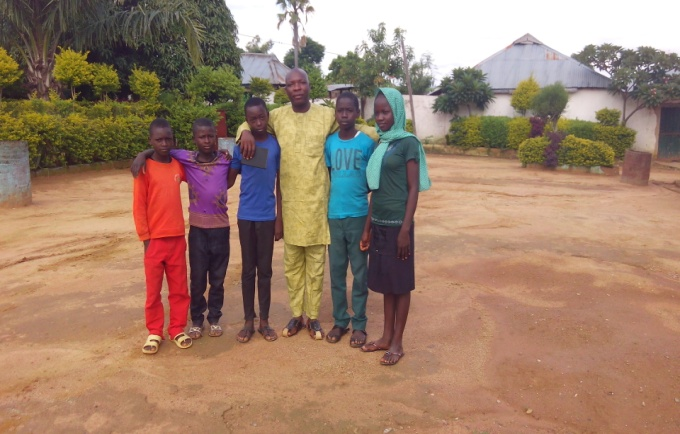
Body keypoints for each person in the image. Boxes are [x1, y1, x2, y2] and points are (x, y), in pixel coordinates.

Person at [237, 68, 378, 340]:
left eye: (302, 82)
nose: (297, 87)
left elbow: (353, 126)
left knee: (316, 265)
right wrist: (243, 131)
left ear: (310, 86)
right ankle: (296, 314)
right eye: (291, 84)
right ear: (285, 89)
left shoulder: (326, 115)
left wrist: (381, 133)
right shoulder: (277, 117)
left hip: (318, 206)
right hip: (290, 207)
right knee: (292, 266)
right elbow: (253, 121)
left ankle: (312, 317)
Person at [131, 118, 231, 340]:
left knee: (204, 281)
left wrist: (227, 153)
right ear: (194, 139)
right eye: (202, 137)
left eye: (210, 136)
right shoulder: (165, 164)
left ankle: (198, 322)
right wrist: (142, 155)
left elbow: (215, 176)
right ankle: (176, 325)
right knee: (186, 281)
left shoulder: (211, 161)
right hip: (179, 234)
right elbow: (139, 204)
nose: (164, 144)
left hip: (202, 231)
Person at [360, 88, 431, 366]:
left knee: (400, 285)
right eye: (377, 112)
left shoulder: (408, 143)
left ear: (397, 112)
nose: (380, 117)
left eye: (385, 111)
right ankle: (385, 337)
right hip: (379, 224)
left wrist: (404, 230)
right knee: (387, 285)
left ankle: (398, 343)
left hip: (398, 227)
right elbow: (375, 190)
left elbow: (413, 188)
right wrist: (367, 228)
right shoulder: (383, 144)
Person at [133, 118, 192, 354]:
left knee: (179, 289)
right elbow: (139, 206)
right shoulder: (144, 168)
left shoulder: (178, 166)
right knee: (153, 291)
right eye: (159, 140)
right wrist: (145, 238)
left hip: (177, 238)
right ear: (151, 141)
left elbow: (196, 166)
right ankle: (155, 332)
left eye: (168, 139)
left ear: (173, 139)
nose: (164, 144)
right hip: (154, 241)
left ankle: (177, 328)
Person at [228, 98, 282, 343]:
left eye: (262, 117)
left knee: (266, 271)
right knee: (248, 270)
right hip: (246, 217)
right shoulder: (241, 146)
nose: (258, 122)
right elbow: (228, 180)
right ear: (246, 121)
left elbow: (280, 184)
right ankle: (248, 321)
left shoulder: (275, 145)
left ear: (267, 115)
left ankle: (265, 322)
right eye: (252, 119)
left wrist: (279, 219)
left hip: (267, 217)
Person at [324, 92, 374, 347]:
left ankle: (360, 324)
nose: (344, 115)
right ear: (335, 113)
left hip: (358, 216)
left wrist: (368, 226)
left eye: (349, 110)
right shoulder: (330, 143)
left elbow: (373, 183)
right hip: (334, 216)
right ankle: (340, 320)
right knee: (336, 272)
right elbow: (329, 176)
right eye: (340, 110)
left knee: (360, 272)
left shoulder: (366, 143)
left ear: (357, 113)